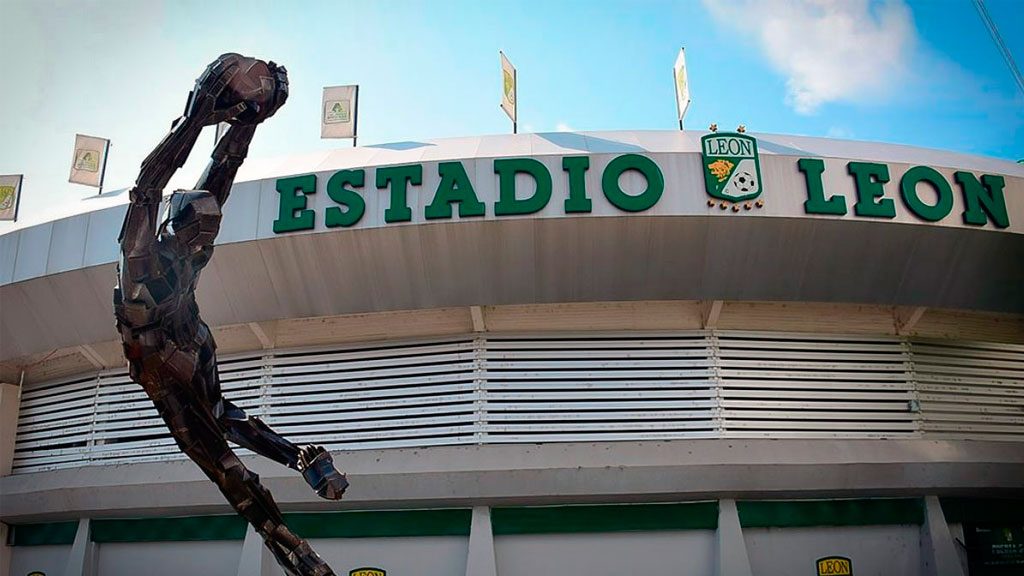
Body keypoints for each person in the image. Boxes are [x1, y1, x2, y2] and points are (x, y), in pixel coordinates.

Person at [114, 53, 347, 576]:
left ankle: (300, 459)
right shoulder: (141, 261)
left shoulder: (192, 246)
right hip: (162, 368)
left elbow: (222, 173)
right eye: (198, 231)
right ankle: (295, 552)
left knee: (228, 421)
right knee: (231, 470)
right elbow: (147, 189)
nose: (206, 240)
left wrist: (247, 125)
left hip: (189, 344)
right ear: (177, 228)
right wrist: (193, 120)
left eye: (208, 233)